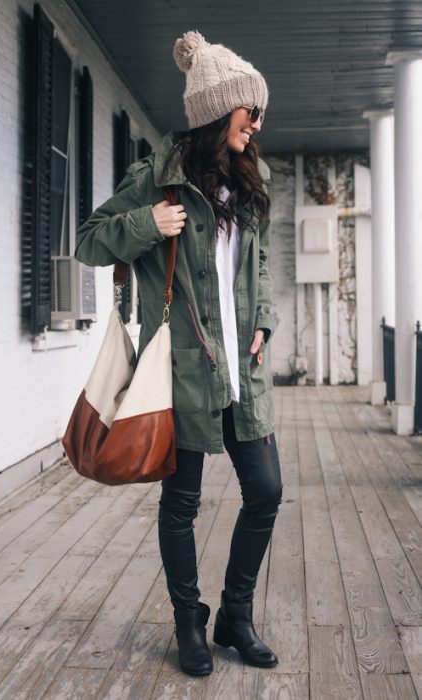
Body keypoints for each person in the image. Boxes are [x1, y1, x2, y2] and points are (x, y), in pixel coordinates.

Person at [75, 30, 282, 677]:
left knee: (266, 490)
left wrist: (264, 322)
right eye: (250, 111)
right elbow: (88, 241)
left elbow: (260, 266)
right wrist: (147, 226)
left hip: (242, 370)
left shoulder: (253, 181)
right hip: (185, 370)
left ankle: (235, 616)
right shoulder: (158, 181)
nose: (257, 123)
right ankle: (187, 620)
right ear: (220, 112)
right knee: (182, 503)